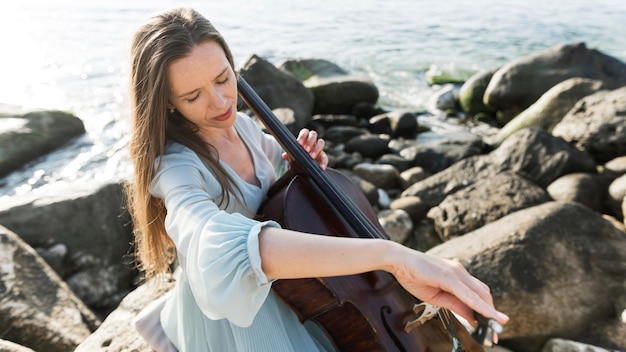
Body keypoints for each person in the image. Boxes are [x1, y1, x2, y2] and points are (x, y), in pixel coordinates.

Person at [125, 6, 509, 352]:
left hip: (299, 288)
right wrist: (392, 256)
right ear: (166, 103)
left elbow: (273, 187)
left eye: (224, 78)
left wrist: (300, 170)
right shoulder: (176, 168)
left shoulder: (243, 126)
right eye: (193, 96)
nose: (221, 102)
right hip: (244, 316)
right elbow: (211, 244)